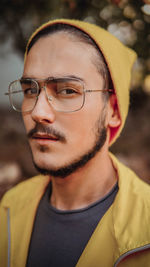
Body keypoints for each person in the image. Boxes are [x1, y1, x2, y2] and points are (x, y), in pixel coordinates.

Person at [0, 18, 150, 267]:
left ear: (113, 111)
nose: (38, 112)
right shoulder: (10, 207)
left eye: (67, 91)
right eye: (30, 90)